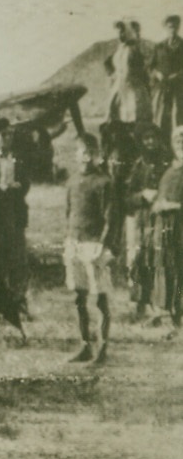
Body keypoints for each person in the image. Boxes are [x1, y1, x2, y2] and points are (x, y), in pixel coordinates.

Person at [62, 133, 120, 364]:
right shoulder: (72, 181)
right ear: (76, 155)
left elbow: (110, 218)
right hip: (75, 243)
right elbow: (69, 213)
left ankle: (102, 348)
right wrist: (69, 239)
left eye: (90, 152)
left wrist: (103, 246)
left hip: (94, 245)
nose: (86, 157)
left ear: (96, 155)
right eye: (81, 152)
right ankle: (85, 345)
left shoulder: (105, 183)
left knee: (101, 299)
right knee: (79, 297)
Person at [0, 120, 31, 318]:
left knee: (18, 259)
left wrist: (18, 186)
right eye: (3, 135)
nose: (7, 138)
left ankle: (18, 300)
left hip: (15, 215)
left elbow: (26, 183)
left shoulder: (17, 160)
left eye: (10, 134)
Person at [125, 125, 171, 318]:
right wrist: (142, 195)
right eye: (146, 139)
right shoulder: (139, 165)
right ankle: (139, 303)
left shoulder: (169, 165)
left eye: (153, 138)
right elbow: (127, 197)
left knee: (161, 261)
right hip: (143, 220)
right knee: (140, 259)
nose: (150, 142)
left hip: (164, 220)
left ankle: (160, 305)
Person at [149, 126, 183, 328]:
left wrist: (174, 206)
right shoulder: (170, 171)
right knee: (165, 268)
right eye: (177, 140)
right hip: (166, 227)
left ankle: (178, 312)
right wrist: (157, 204)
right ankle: (165, 310)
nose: (181, 144)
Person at [105, 19, 152, 125]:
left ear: (126, 32)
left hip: (133, 86)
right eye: (118, 32)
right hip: (119, 87)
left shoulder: (134, 47)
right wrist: (112, 74)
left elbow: (144, 65)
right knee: (115, 114)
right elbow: (108, 62)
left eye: (122, 32)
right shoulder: (119, 49)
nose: (120, 35)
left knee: (133, 113)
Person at [151, 15, 183, 135]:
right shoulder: (159, 46)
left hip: (179, 87)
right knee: (162, 115)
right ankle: (163, 145)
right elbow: (152, 66)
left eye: (175, 26)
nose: (172, 30)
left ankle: (179, 146)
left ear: (179, 27)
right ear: (165, 28)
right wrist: (157, 73)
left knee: (178, 115)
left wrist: (177, 75)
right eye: (170, 27)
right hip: (163, 87)